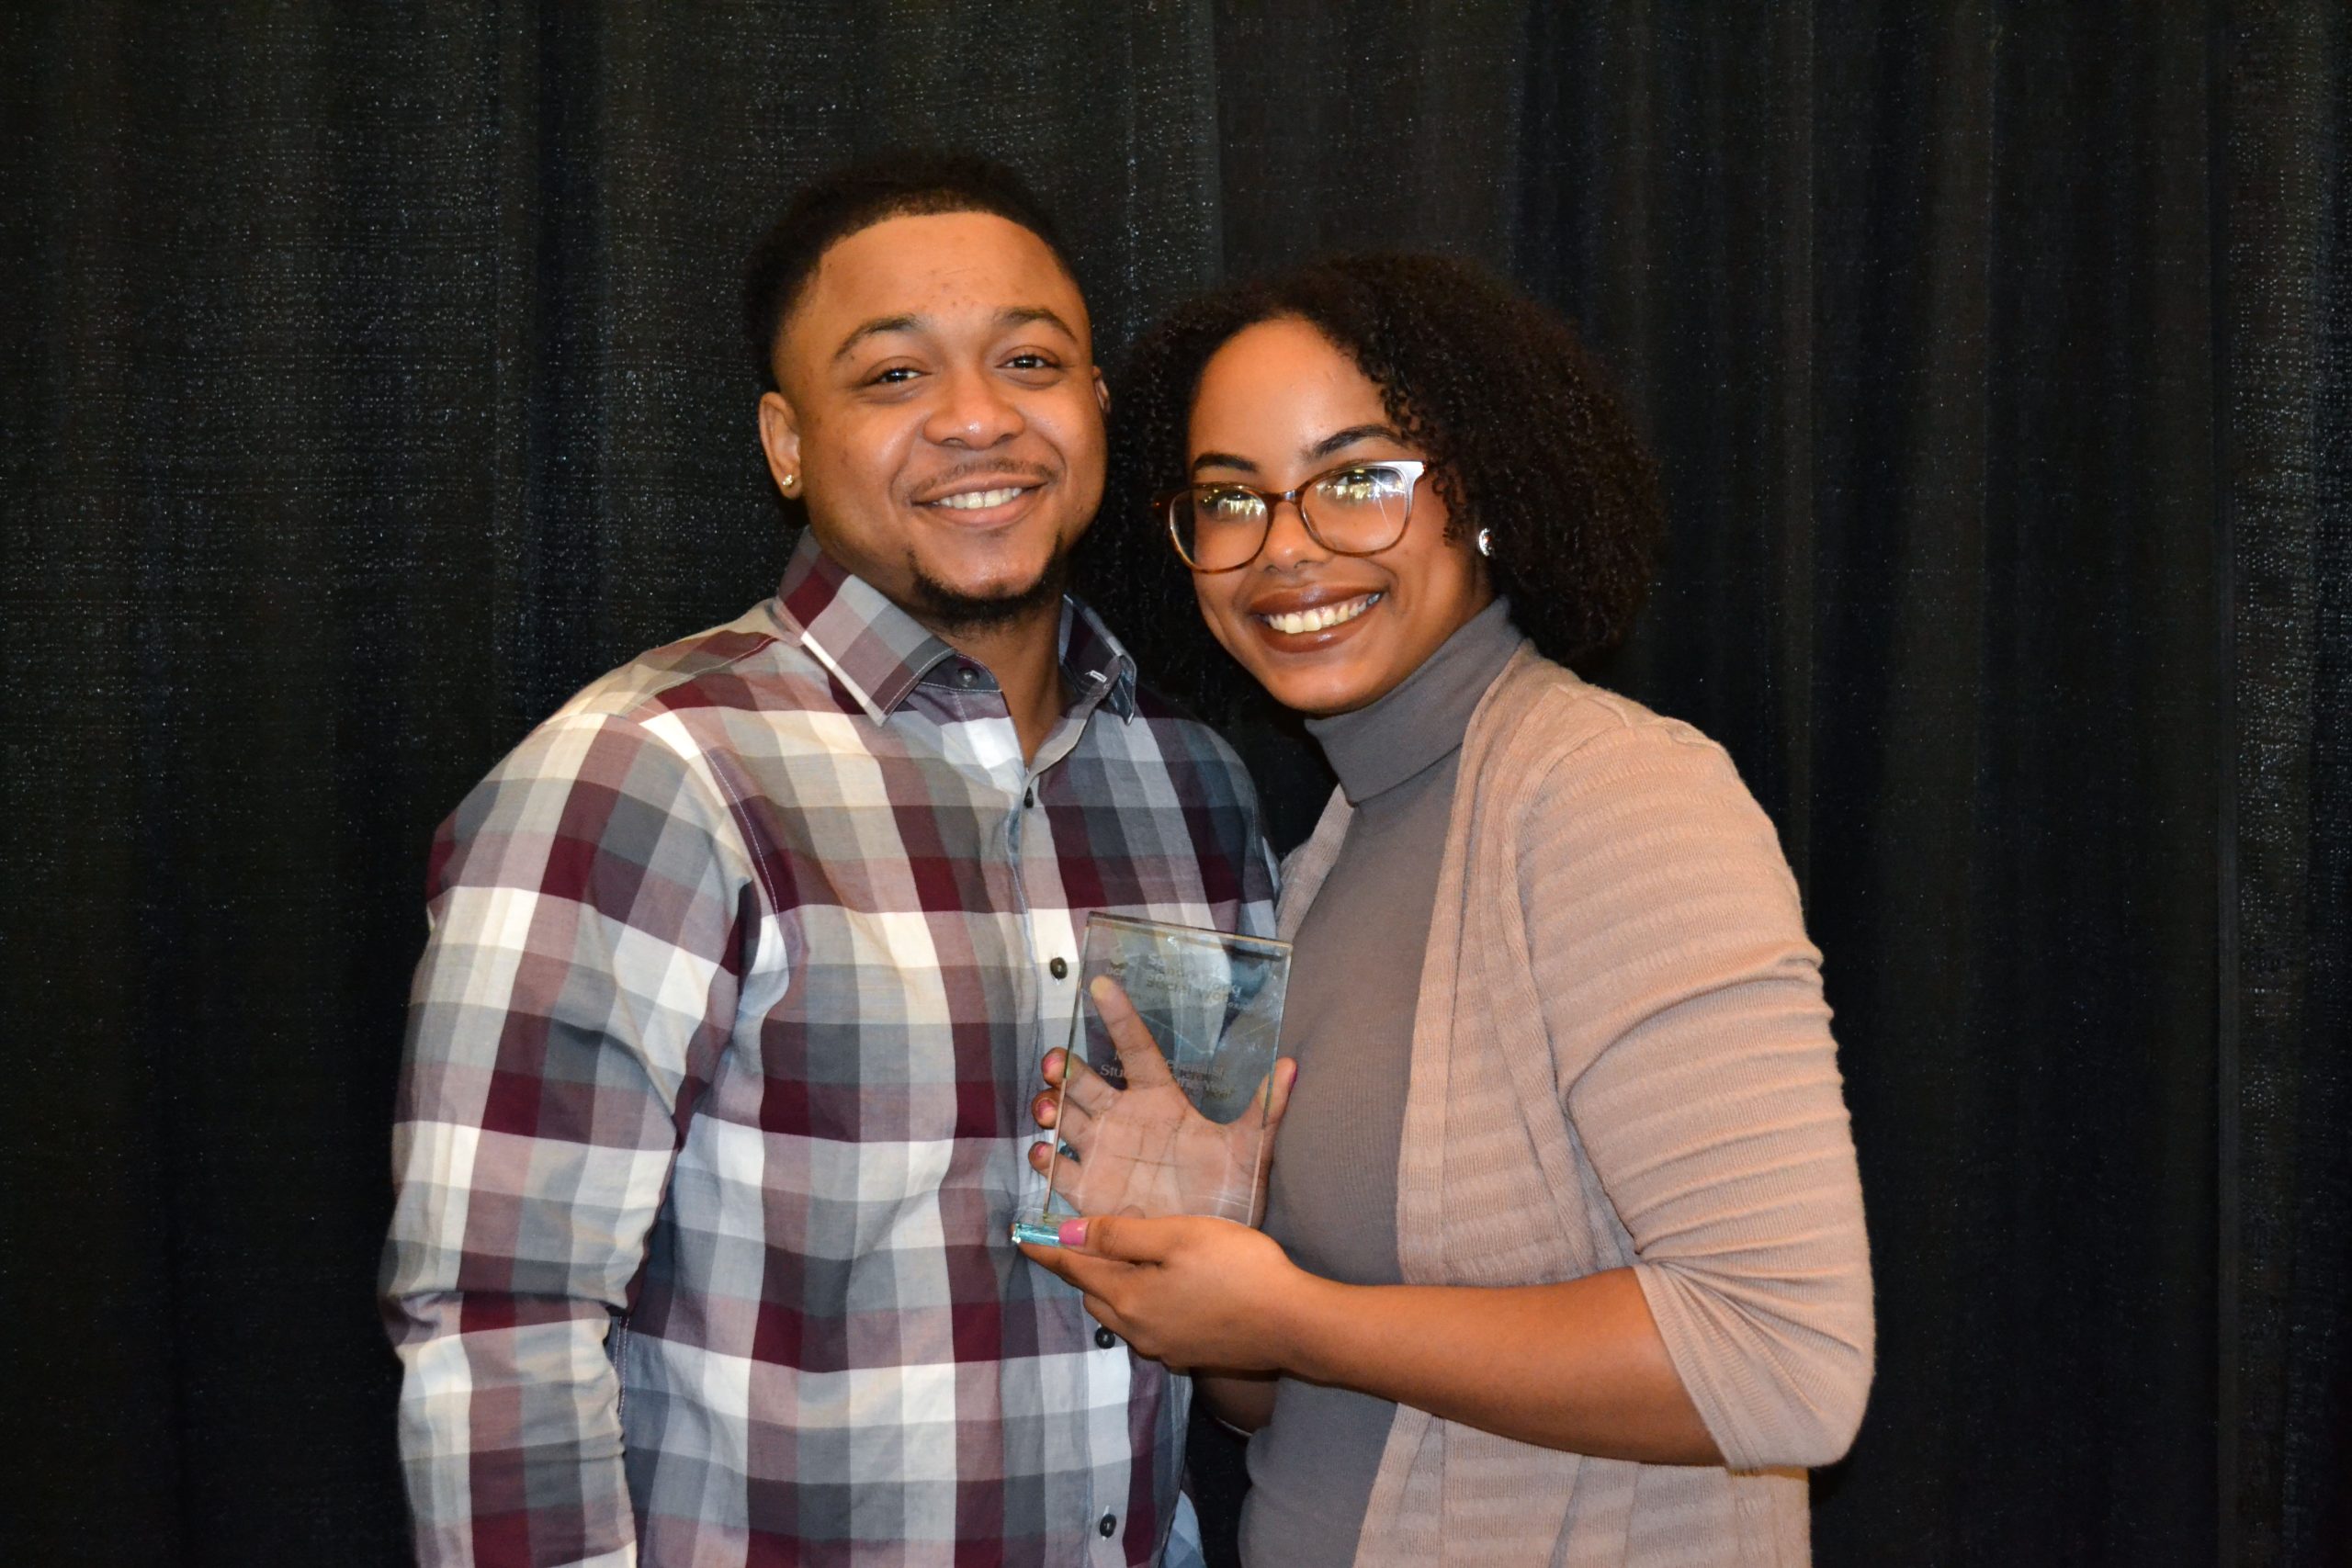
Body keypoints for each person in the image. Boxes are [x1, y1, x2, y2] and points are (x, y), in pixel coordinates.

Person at [381, 152, 1278, 1568]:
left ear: (1098, 409)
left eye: (1029, 360)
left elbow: (1216, 1267)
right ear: (785, 443)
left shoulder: (1194, 790)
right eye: (892, 379)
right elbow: (499, 1326)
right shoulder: (647, 777)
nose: (979, 420)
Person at [1023, 254, 1873, 1565]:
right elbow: (1295, 1407)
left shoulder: (1614, 796)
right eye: (1230, 498)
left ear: (1477, 492)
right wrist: (1216, 1251)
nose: (1286, 547)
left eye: (1357, 478)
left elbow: (1786, 1362)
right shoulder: (1323, 858)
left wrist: (1294, 1312)